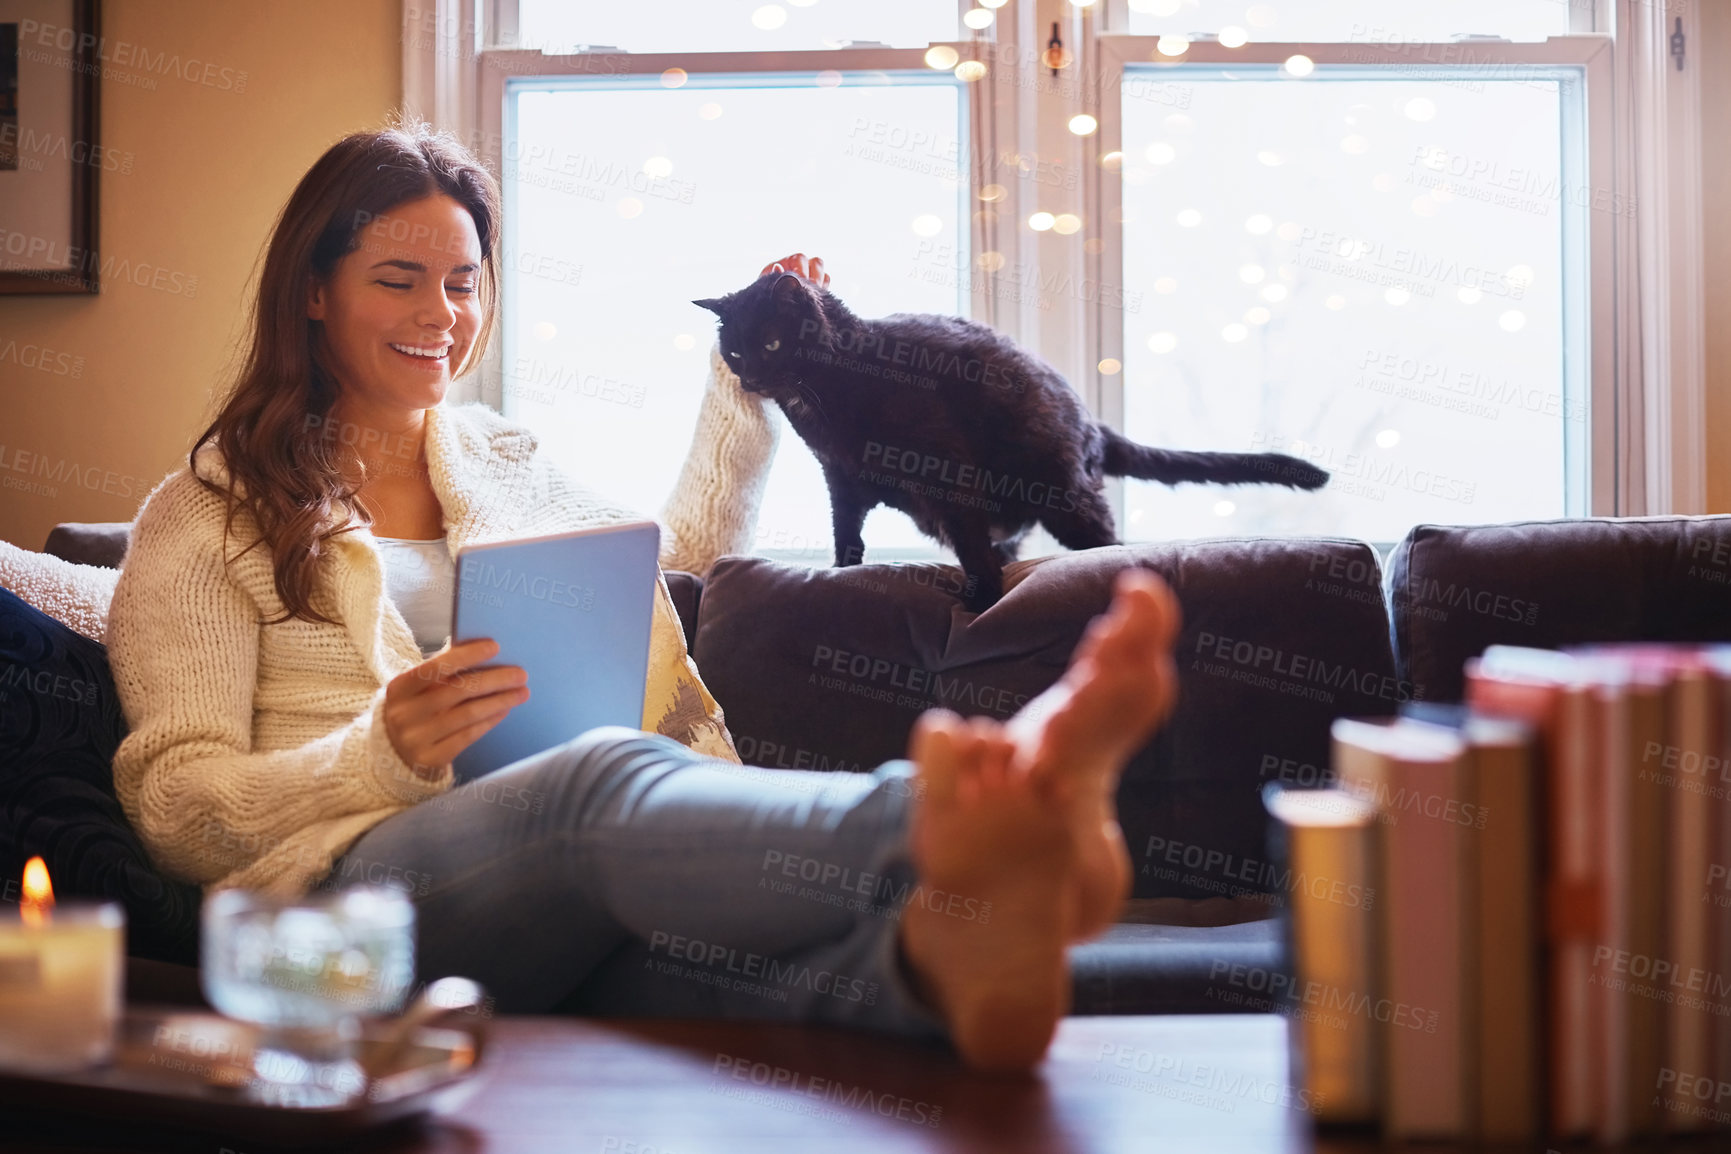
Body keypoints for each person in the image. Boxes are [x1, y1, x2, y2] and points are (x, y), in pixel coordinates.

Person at [104, 122, 1182, 1072]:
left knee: (695, 965)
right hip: (333, 913)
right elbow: (175, 806)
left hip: (537, 896)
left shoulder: (505, 463)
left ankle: (946, 964)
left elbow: (679, 562)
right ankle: (970, 814)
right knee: (591, 786)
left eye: (464, 280)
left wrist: (738, 378)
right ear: (313, 289)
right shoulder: (205, 515)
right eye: (398, 277)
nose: (441, 311)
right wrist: (376, 750)